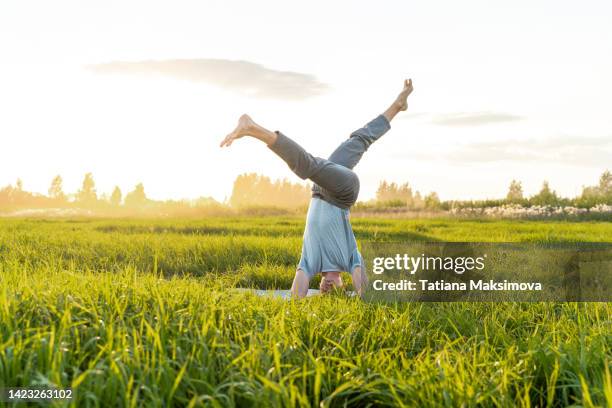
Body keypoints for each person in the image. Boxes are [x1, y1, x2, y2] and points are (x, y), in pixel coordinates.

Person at [220, 79, 414, 298]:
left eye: (325, 289)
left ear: (320, 283)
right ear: (343, 282)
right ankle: (252, 128)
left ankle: (397, 105)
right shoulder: (350, 259)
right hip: (343, 192)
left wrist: (308, 294)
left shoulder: (310, 262)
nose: (328, 286)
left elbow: (296, 298)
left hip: (319, 189)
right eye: (335, 288)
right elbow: (366, 294)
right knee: (324, 158)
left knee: (358, 140)